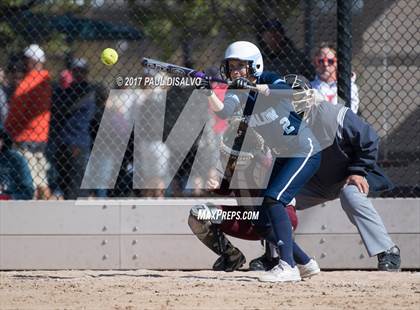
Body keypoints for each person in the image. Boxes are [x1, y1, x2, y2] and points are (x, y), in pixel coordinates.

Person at [196, 41, 321, 282]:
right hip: (283, 154)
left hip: (304, 149)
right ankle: (305, 263)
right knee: (263, 218)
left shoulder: (270, 78)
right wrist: (209, 92)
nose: (235, 72)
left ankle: (288, 266)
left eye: (241, 67)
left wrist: (257, 88)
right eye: (232, 66)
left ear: (255, 66)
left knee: (274, 199)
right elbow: (224, 111)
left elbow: (287, 91)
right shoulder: (236, 92)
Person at [250, 95, 401, 271]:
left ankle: (388, 250)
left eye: (296, 96)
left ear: (309, 97)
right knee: (276, 198)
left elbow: (369, 139)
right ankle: (275, 256)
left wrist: (358, 171)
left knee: (352, 196)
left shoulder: (332, 114)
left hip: (347, 176)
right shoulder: (283, 126)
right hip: (313, 182)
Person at [5, 44, 52, 199]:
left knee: (28, 181)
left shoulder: (28, 83)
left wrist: (6, 131)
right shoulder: (46, 80)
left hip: (24, 136)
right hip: (41, 136)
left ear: (31, 61)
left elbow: (15, 113)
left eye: (26, 60)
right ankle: (49, 208)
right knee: (41, 179)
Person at [51, 58, 96, 199]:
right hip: (65, 141)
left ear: (86, 73)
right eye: (75, 71)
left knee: (75, 182)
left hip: (77, 141)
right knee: (66, 181)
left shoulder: (87, 90)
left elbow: (64, 108)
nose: (78, 74)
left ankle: (75, 212)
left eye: (81, 71)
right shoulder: (66, 90)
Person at [311, 43, 359, 114]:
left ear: (337, 63)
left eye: (330, 61)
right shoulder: (309, 87)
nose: (325, 65)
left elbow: (351, 113)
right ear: (315, 63)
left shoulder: (349, 87)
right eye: (321, 61)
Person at [0, 125, 34, 200]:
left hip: (10, 206)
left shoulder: (15, 159)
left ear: (3, 141)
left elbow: (28, 192)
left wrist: (8, 198)